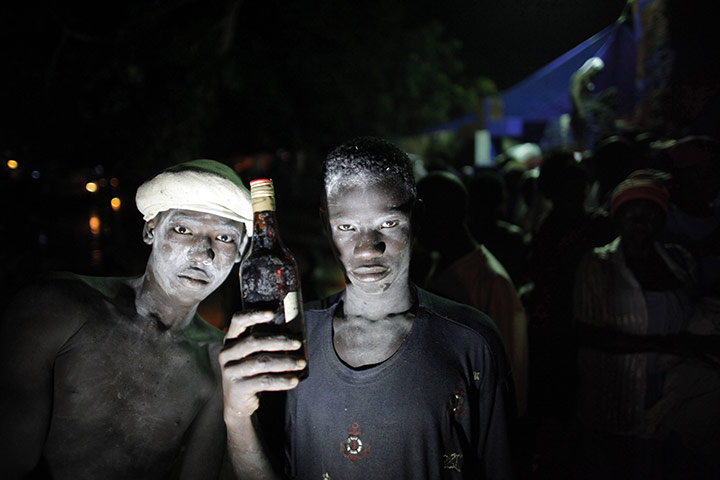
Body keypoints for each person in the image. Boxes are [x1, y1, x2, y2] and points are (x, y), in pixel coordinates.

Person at [220, 137, 516, 479]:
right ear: (325, 227)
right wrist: (237, 417)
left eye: (388, 223)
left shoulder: (470, 341)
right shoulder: (289, 338)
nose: (367, 248)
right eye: (346, 227)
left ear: (416, 218)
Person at [0, 159, 253, 479]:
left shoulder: (220, 362)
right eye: (183, 229)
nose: (203, 253)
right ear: (151, 230)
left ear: (241, 252)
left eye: (225, 238)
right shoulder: (57, 309)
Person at [573, 170, 699, 478]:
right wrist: (664, 344)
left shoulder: (680, 260)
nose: (641, 222)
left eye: (650, 213)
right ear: (619, 217)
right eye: (633, 213)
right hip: (615, 405)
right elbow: (587, 334)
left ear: (662, 219)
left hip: (672, 405)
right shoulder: (599, 264)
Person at [414, 170, 528, 417]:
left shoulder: (490, 281)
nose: (414, 226)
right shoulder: (440, 264)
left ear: (445, 216)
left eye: (421, 215)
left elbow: (509, 374)